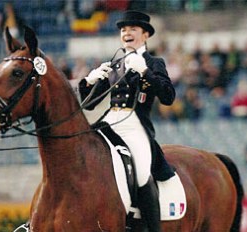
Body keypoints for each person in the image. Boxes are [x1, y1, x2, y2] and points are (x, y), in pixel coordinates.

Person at [79, 10, 175, 232]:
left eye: (132, 29)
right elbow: (89, 104)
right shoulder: (114, 64)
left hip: (136, 127)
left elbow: (168, 97)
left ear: (145, 35)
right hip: (110, 122)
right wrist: (88, 81)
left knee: (141, 172)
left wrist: (145, 71)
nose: (127, 33)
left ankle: (151, 227)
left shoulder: (154, 62)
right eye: (123, 30)